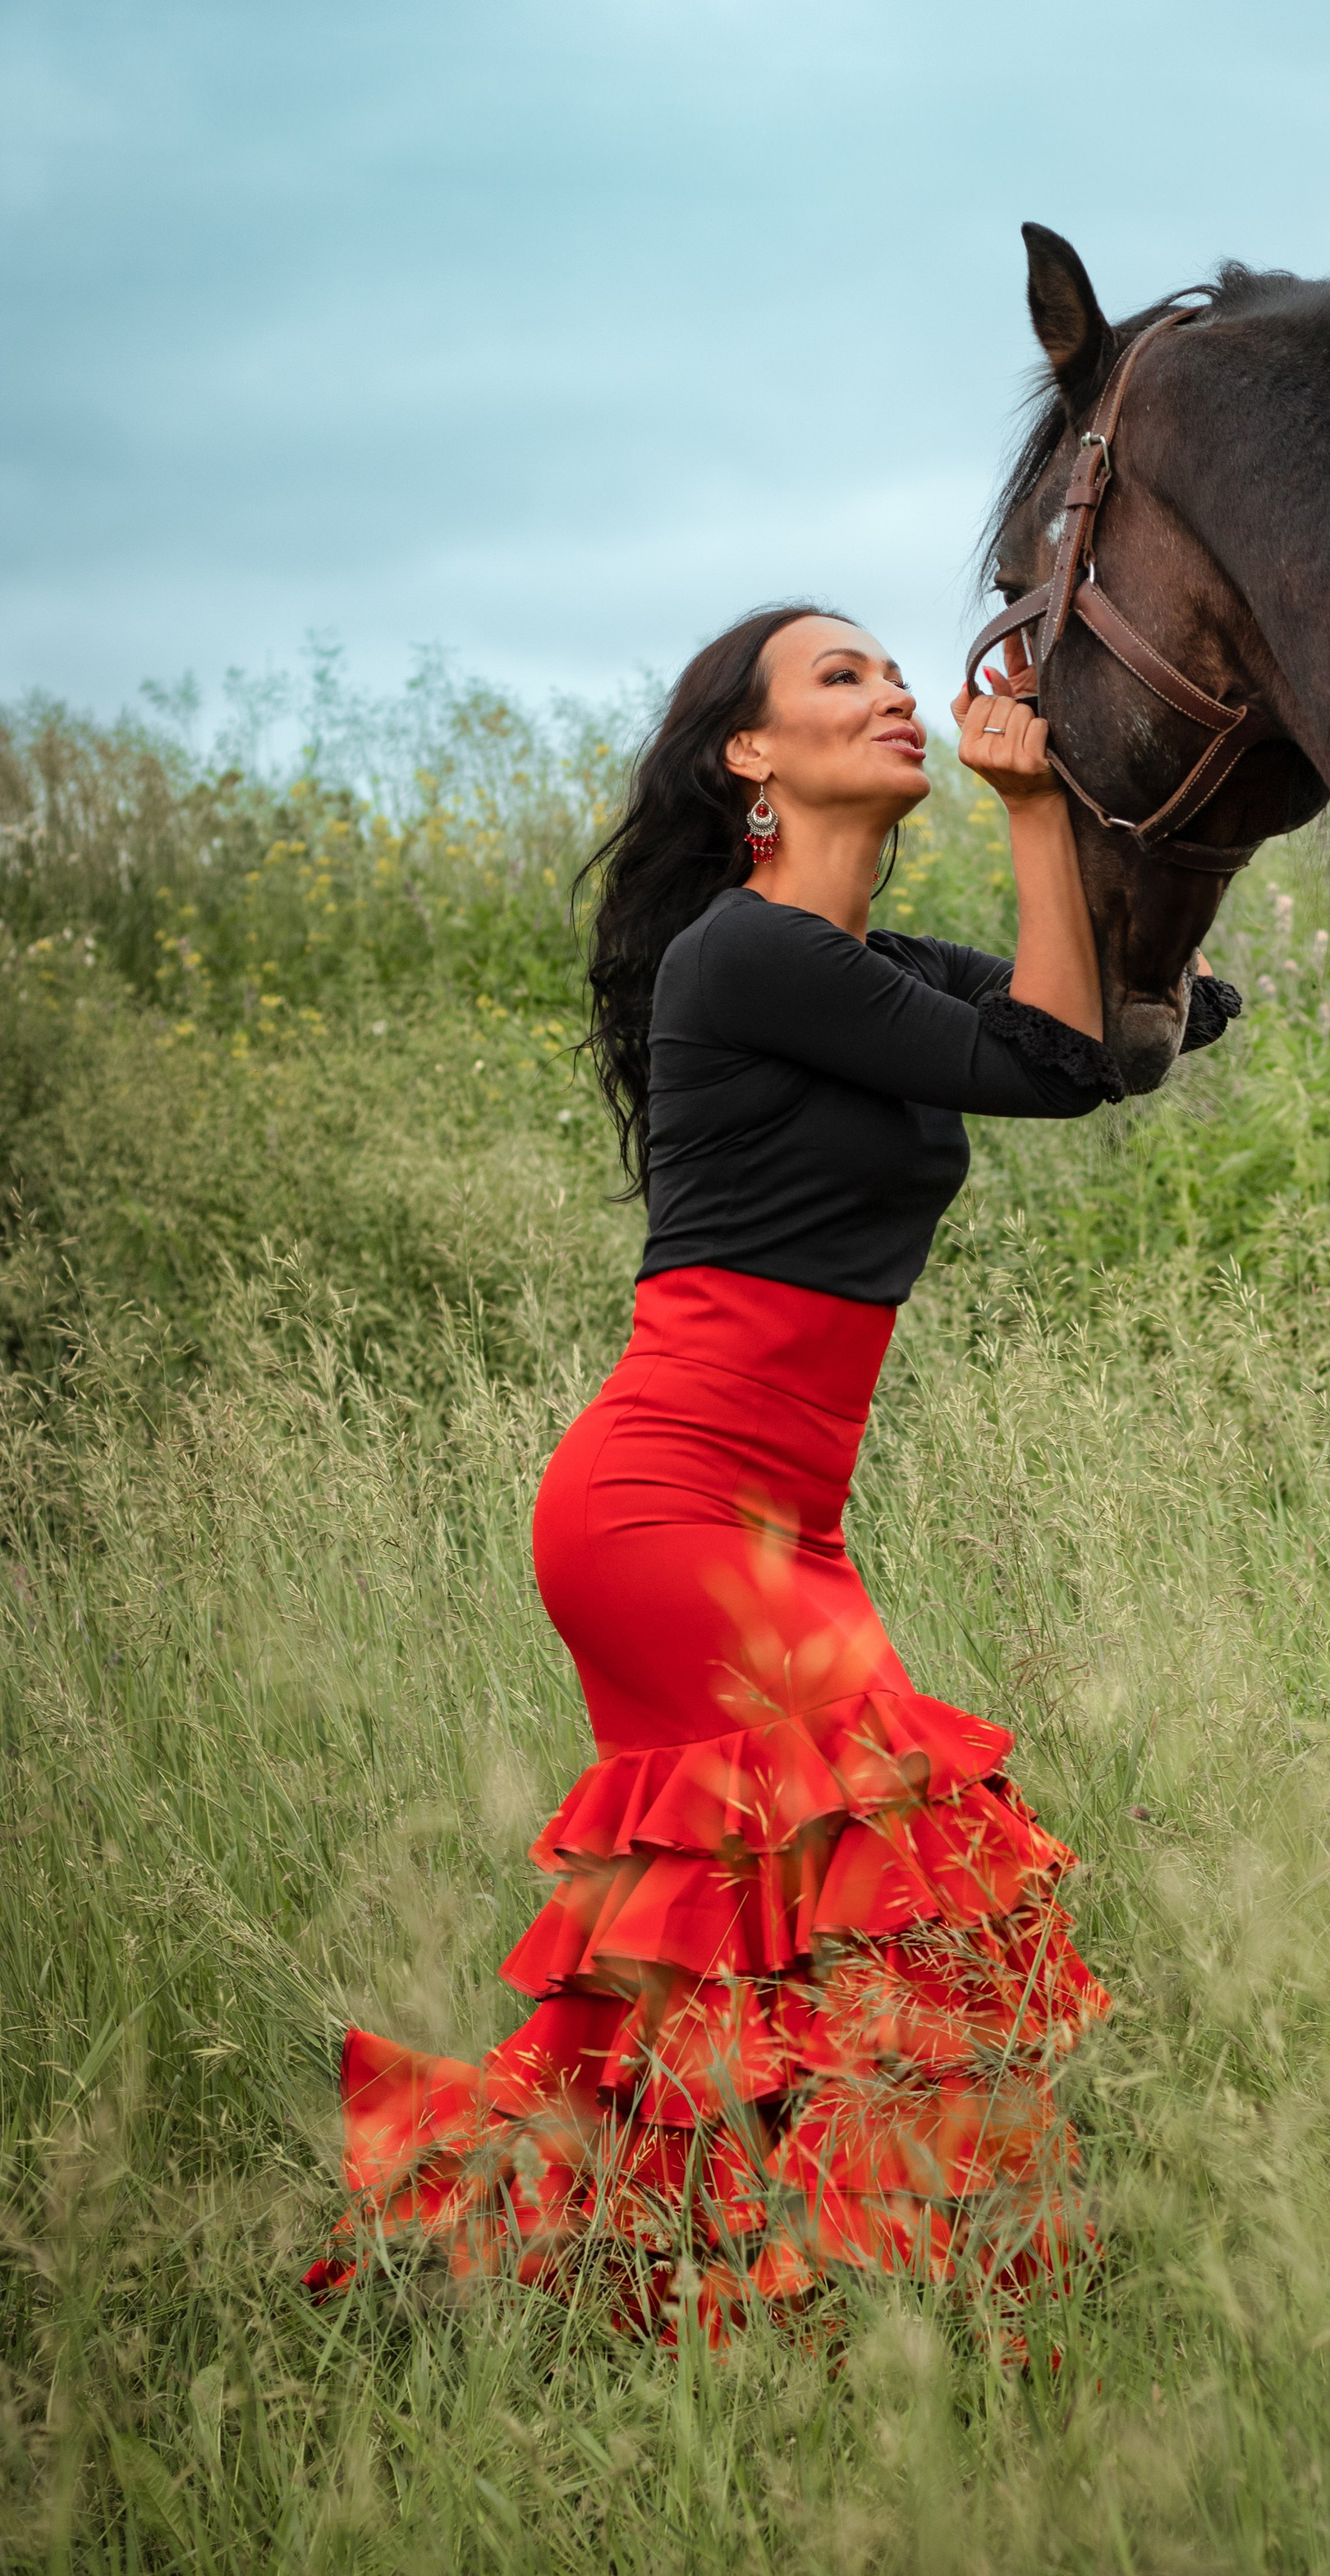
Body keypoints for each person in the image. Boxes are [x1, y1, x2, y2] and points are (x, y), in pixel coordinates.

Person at [310, 604, 1240, 2340]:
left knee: (759, 1944)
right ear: (751, 757)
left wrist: (1136, 818)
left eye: (895, 669)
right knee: (924, 1887)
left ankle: (583, 2267)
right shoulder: (740, 959)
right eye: (843, 676)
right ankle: (856, 2298)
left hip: (769, 1525)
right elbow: (1052, 1055)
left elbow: (1120, 1035)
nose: (892, 691)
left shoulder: (877, 967)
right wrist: (1037, 813)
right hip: (664, 1512)